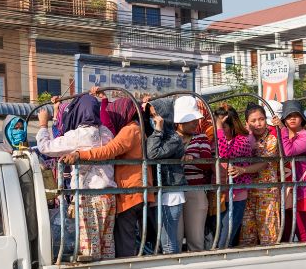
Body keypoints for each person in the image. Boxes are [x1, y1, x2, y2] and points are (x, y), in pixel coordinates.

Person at [67, 98, 151, 257]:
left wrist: (81, 155)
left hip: (130, 192)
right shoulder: (139, 129)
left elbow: (109, 151)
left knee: (124, 239)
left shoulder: (130, 130)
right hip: (137, 189)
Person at [37, 94, 116, 260]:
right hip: (109, 196)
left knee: (89, 251)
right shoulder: (107, 132)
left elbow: (46, 147)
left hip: (89, 197)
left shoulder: (79, 135)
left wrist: (43, 124)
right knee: (106, 247)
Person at [237, 104, 281, 246]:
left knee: (268, 234)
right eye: (253, 120)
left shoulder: (272, 139)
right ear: (247, 123)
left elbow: (264, 163)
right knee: (247, 236)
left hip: (267, 193)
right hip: (247, 193)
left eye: (261, 119)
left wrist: (243, 170)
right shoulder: (243, 138)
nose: (258, 124)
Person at [147, 98, 186, 254]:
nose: (154, 119)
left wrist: (157, 130)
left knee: (168, 241)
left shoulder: (174, 138)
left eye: (156, 115)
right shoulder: (156, 135)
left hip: (171, 194)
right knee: (163, 241)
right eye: (151, 116)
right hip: (159, 192)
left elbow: (152, 154)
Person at [276, 99, 306, 242]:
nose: (292, 118)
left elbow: (288, 151)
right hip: (287, 190)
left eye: (296, 115)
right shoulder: (284, 135)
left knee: (304, 236)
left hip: (304, 191)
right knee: (285, 235)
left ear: (302, 118)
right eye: (288, 116)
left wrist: (282, 129)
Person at [175, 96, 212, 252]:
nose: (195, 123)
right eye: (191, 120)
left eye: (196, 120)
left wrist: (192, 160)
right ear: (179, 122)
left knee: (196, 239)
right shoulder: (169, 138)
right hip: (174, 191)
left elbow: (208, 164)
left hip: (195, 191)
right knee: (174, 239)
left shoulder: (201, 137)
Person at [215, 105, 253, 248]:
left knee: (226, 236)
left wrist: (219, 131)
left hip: (236, 195)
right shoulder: (218, 139)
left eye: (223, 126)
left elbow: (225, 155)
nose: (219, 129)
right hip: (220, 193)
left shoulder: (242, 141)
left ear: (232, 125)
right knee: (216, 235)